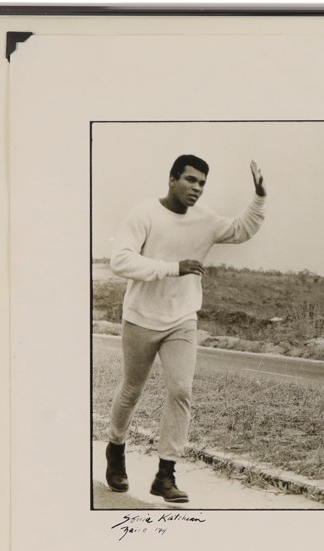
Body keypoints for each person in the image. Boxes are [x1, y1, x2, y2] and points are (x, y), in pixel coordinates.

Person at [104, 154, 267, 503]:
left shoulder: (205, 220)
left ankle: (166, 474)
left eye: (203, 184)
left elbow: (241, 230)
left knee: (181, 390)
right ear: (172, 179)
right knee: (132, 389)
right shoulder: (144, 214)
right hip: (141, 316)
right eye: (191, 180)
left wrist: (259, 197)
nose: (197, 189)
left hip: (182, 318)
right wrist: (172, 267)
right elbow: (120, 260)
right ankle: (115, 450)